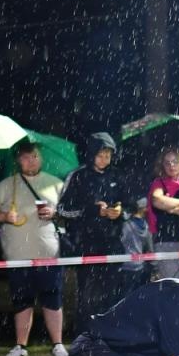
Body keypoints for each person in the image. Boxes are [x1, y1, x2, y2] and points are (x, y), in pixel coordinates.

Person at [0, 138, 67, 356]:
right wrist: (5, 217)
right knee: (22, 300)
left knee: (52, 298)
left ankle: (58, 344)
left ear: (41, 158)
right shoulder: (7, 185)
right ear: (18, 160)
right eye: (25, 157)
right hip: (18, 254)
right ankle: (20, 345)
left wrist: (55, 213)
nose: (30, 161)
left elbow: (69, 214)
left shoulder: (55, 184)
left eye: (34, 156)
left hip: (49, 253)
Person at [58, 132, 127, 326]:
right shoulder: (78, 176)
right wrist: (93, 210)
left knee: (113, 293)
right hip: (86, 244)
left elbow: (131, 205)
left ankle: (110, 333)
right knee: (87, 294)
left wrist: (120, 211)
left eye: (108, 155)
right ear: (91, 154)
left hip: (113, 244)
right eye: (100, 154)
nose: (105, 159)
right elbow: (62, 210)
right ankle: (84, 334)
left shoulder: (116, 176)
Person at [147, 148, 179, 280]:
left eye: (175, 162)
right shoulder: (158, 183)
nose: (171, 166)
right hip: (166, 240)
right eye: (167, 163)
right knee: (173, 284)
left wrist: (171, 206)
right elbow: (157, 201)